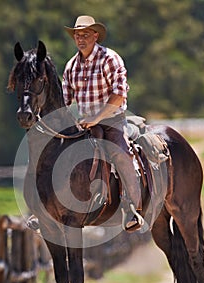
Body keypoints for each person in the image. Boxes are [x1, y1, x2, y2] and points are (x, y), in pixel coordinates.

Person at [63, 15, 144, 232]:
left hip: (111, 120)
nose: (81, 39)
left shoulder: (110, 59)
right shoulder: (71, 66)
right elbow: (64, 100)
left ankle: (132, 208)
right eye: (78, 35)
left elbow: (118, 95)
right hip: (85, 125)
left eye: (86, 34)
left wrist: (96, 118)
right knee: (61, 154)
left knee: (119, 153)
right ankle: (52, 205)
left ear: (95, 36)